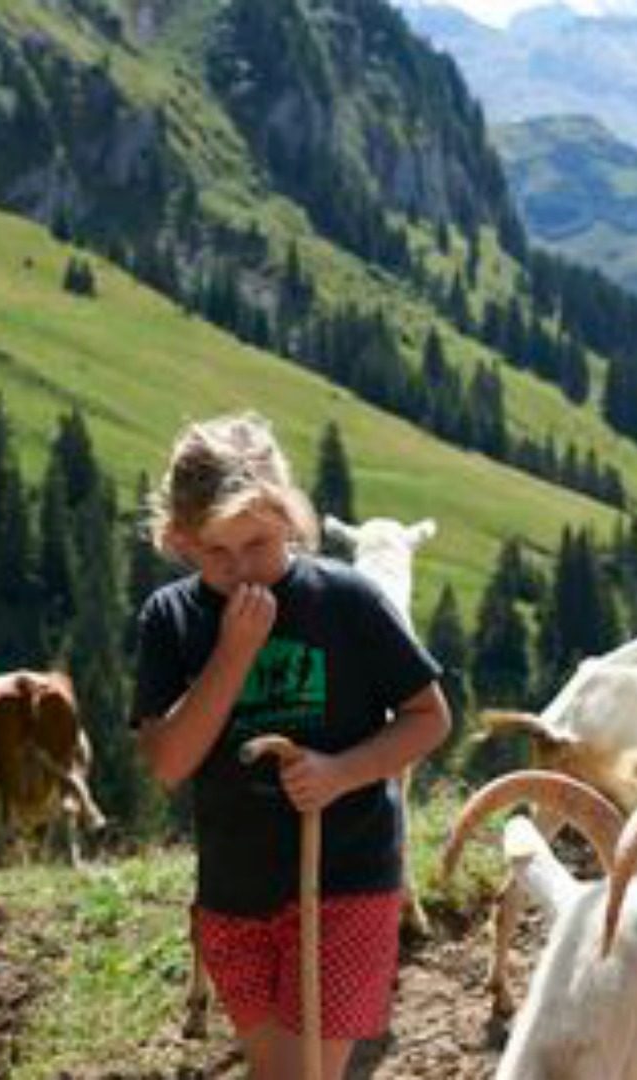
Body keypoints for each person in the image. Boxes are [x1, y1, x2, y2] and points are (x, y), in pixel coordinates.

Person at [130, 412, 450, 1079]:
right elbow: (168, 763)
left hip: (346, 882)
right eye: (218, 553)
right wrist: (233, 653)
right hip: (234, 892)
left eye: (259, 544)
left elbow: (429, 718)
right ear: (182, 541)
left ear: (291, 521)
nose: (243, 568)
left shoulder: (347, 600)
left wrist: (342, 772)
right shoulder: (172, 620)